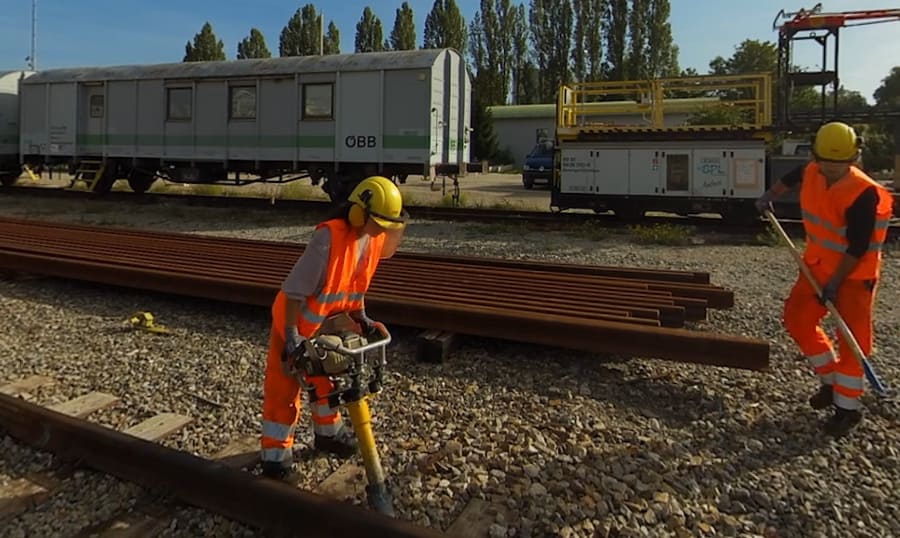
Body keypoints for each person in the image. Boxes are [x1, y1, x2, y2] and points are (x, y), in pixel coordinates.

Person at [260, 176, 408, 479]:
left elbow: (355, 286)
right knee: (285, 392)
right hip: (295, 324)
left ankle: (328, 434)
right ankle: (275, 457)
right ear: (358, 212)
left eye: (388, 226)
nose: (383, 231)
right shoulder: (328, 239)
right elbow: (293, 293)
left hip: (328, 327)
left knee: (329, 383)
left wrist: (362, 318)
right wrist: (291, 337)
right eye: (379, 223)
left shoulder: (373, 239)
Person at [755, 121, 893, 437]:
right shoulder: (813, 169)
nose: (831, 169)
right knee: (797, 319)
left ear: (854, 157)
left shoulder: (864, 194)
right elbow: (791, 178)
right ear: (817, 156)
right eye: (826, 163)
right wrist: (768, 195)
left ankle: (847, 410)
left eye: (839, 164)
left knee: (853, 344)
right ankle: (830, 382)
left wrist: (835, 284)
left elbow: (858, 246)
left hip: (854, 275)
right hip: (816, 266)